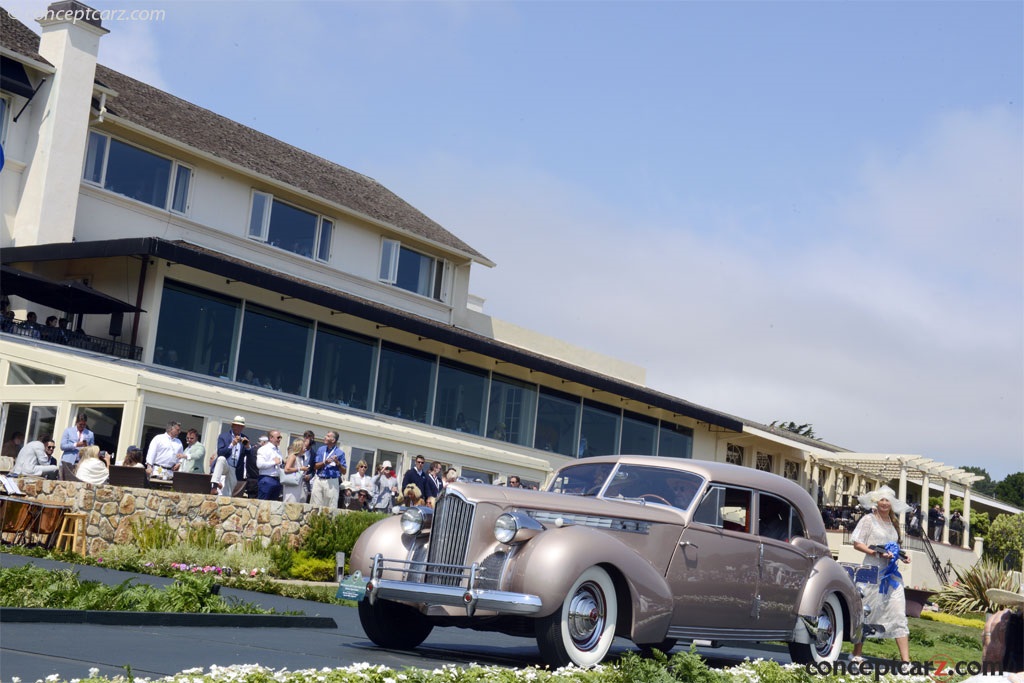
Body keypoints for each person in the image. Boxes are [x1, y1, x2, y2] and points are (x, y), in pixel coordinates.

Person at [849, 485, 912, 663]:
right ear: (876, 501)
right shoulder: (868, 520)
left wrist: (902, 556)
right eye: (882, 500)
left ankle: (906, 662)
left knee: (899, 611)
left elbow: (893, 546)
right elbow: (857, 543)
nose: (884, 503)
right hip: (871, 571)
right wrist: (876, 553)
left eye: (888, 501)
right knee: (866, 610)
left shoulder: (894, 523)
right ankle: (857, 654)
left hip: (891, 574)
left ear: (892, 504)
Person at [215, 416, 252, 497]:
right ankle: (214, 485)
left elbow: (249, 456)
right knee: (221, 459)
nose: (239, 428)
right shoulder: (224, 436)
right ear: (232, 426)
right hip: (226, 465)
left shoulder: (245, 438)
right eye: (237, 425)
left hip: (235, 468)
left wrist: (248, 447)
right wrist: (232, 444)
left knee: (228, 492)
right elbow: (220, 452)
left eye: (241, 426)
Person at [310, 430, 345, 508]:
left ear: (333, 440)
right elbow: (315, 466)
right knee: (315, 506)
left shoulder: (340, 453)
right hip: (319, 479)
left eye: (328, 436)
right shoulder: (321, 449)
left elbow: (344, 471)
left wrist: (337, 463)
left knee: (330, 507)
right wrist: (324, 463)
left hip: (332, 481)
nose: (325, 437)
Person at [59, 413, 95, 479]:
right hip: (68, 461)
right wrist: (76, 444)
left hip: (82, 463)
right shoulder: (68, 431)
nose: (82, 426)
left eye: (84, 425)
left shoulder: (90, 434)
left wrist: (87, 446)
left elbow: (92, 450)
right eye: (80, 424)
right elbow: (62, 446)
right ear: (76, 422)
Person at [255, 430, 284, 500]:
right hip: (267, 479)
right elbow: (259, 465)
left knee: (273, 506)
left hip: (277, 480)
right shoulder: (264, 449)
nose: (279, 439)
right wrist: (273, 462)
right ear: (271, 438)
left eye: (280, 437)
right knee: (262, 504)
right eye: (278, 437)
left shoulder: (278, 450)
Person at [281, 438, 307, 504]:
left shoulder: (300, 458)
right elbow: (287, 469)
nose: (305, 448)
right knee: (290, 502)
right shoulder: (293, 456)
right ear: (299, 447)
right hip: (291, 484)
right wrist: (300, 469)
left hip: (298, 484)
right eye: (304, 446)